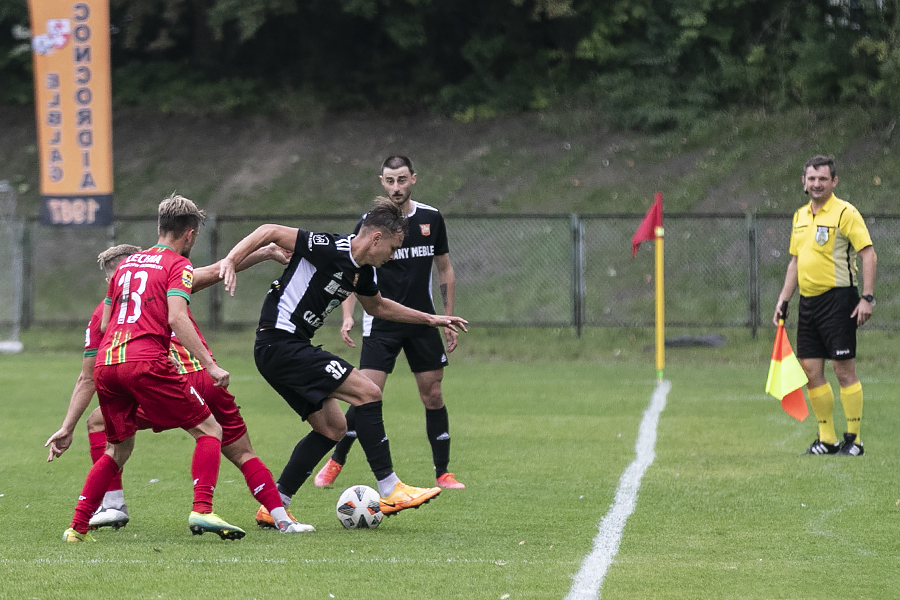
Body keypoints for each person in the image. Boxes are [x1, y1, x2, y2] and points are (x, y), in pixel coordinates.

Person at [218, 198, 468, 525]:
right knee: (368, 392)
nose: (393, 256)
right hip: (280, 343)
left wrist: (430, 319)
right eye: (393, 248)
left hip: (284, 349)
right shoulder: (328, 246)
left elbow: (378, 307)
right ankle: (390, 487)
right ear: (376, 238)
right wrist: (230, 260)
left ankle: (274, 505)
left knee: (334, 428)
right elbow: (269, 230)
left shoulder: (363, 273)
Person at [46, 242, 313, 534]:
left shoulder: (104, 313)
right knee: (240, 451)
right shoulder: (165, 278)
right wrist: (264, 253)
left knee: (103, 429)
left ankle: (114, 506)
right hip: (199, 379)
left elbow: (87, 378)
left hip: (158, 383)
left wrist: (67, 426)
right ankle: (280, 519)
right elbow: (217, 270)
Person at [61, 194, 243, 542]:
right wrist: (209, 365)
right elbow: (177, 317)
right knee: (210, 429)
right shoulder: (178, 265)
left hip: (107, 364)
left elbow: (106, 324)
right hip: (145, 362)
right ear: (189, 234)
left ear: (160, 227)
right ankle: (202, 509)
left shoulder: (126, 265)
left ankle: (78, 527)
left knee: (118, 449)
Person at [315, 155, 464, 490]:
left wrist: (446, 317)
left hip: (423, 321)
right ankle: (336, 461)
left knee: (433, 393)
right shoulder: (370, 223)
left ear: (414, 179)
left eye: (402, 179)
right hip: (381, 321)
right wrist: (348, 316)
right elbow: (353, 268)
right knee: (365, 393)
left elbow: (444, 268)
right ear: (382, 182)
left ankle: (443, 472)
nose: (397, 187)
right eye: (390, 180)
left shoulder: (430, 218)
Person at [774, 155, 877, 457]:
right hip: (808, 303)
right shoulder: (800, 216)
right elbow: (795, 262)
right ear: (803, 182)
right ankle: (827, 439)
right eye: (812, 178)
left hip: (839, 300)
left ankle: (855, 440)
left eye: (823, 179)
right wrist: (784, 299)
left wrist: (867, 297)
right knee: (810, 370)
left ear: (834, 181)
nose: (817, 184)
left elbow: (868, 254)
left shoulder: (846, 212)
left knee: (843, 370)